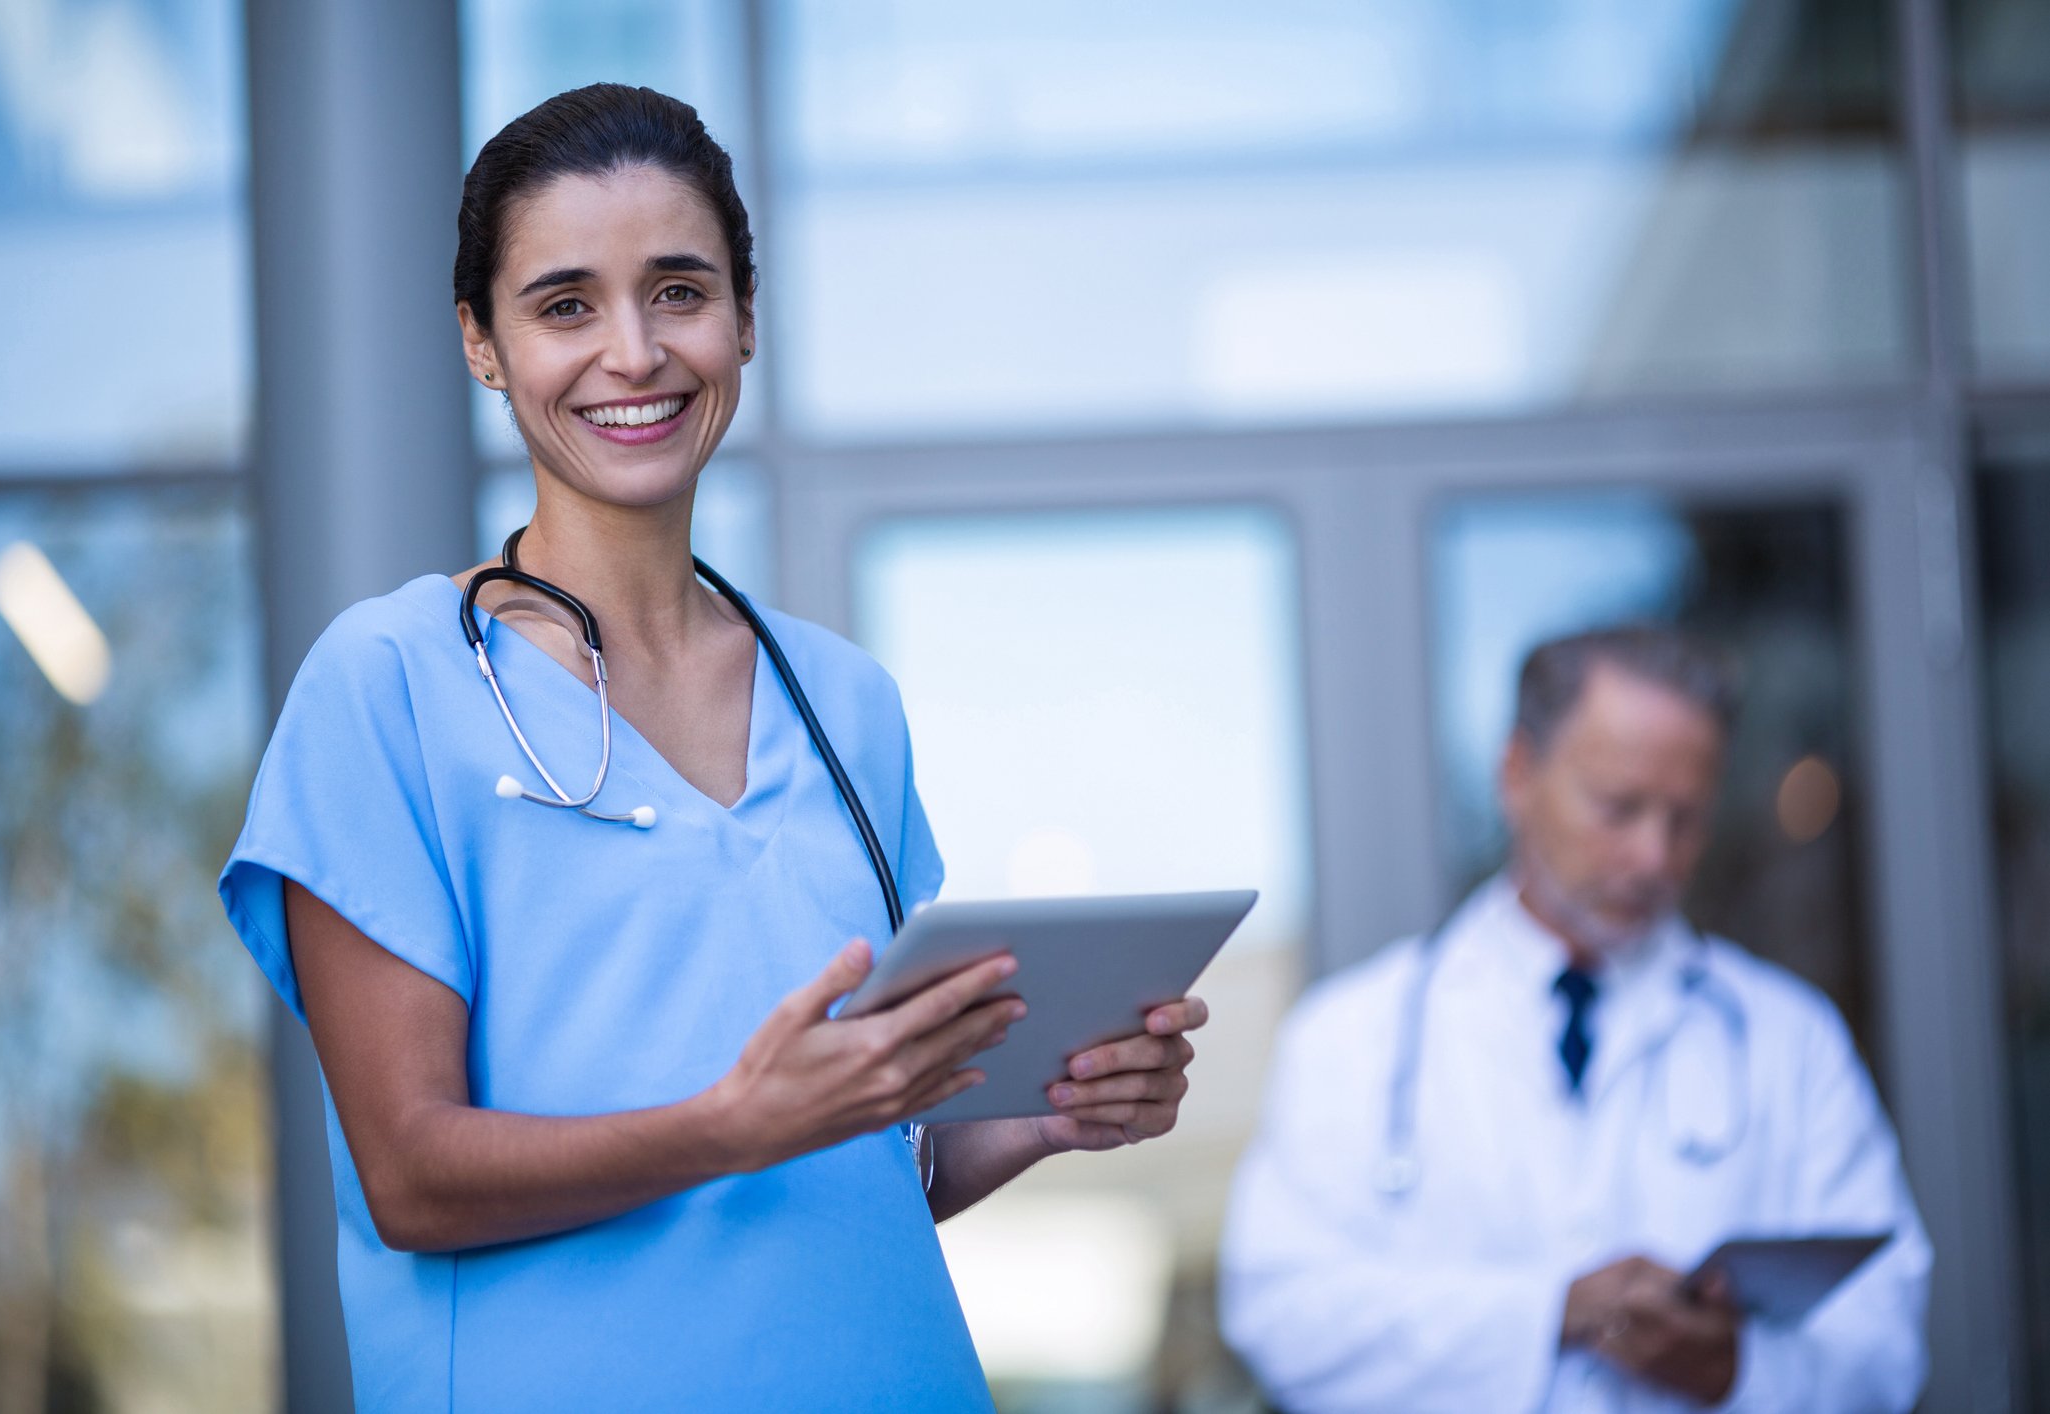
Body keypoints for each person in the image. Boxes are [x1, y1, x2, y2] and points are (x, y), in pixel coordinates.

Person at [218, 84, 1207, 1412]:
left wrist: (1040, 1114)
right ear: (481, 342)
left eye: (678, 291)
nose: (632, 351)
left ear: (745, 318)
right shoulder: (387, 685)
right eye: (565, 305)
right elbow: (411, 1173)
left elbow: (878, 1145)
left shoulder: (845, 701)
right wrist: (729, 1127)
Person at [1219, 626, 1929, 1413]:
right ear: (1517, 774)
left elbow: (1886, 1341)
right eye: (1617, 808)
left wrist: (1737, 1374)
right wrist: (1553, 1311)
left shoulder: (1788, 1040)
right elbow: (1281, 1319)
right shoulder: (1353, 1035)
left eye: (1684, 818)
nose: (1654, 857)